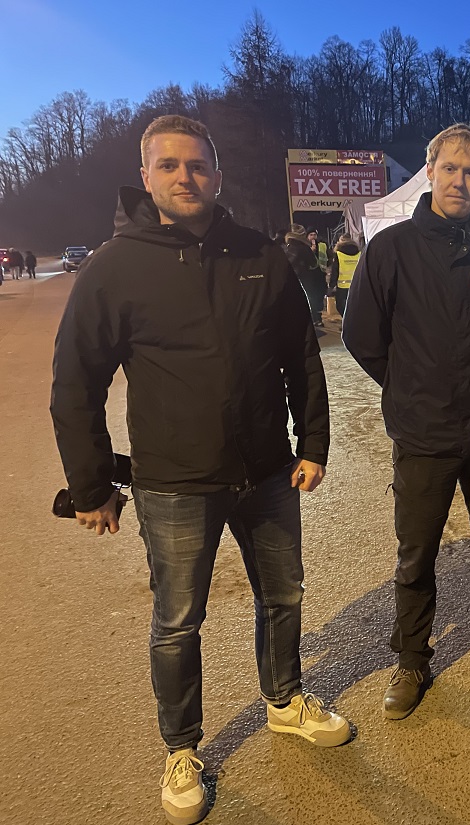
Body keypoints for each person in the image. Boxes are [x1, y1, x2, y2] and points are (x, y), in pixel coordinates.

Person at [50, 114, 351, 825]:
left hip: (268, 475)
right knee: (177, 620)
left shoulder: (261, 254)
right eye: (170, 166)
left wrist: (313, 443)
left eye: (199, 165)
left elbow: (301, 356)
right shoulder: (114, 267)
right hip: (174, 483)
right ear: (147, 176)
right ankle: (181, 748)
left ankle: (283, 700)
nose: (186, 177)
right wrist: (92, 485)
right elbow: (75, 384)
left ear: (217, 174)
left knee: (285, 595)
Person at [343, 123, 470, 720]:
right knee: (416, 555)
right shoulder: (391, 250)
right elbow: (363, 338)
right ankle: (411, 660)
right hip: (424, 435)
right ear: (429, 171)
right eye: (450, 168)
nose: (460, 180)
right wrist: (410, 388)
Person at [285, 224, 327, 327]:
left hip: (290, 279)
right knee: (310, 299)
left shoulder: (286, 247)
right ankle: (314, 320)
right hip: (305, 279)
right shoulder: (304, 247)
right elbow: (313, 263)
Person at [327, 233, 360, 318]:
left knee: (341, 306)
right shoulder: (359, 253)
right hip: (356, 285)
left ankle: (347, 321)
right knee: (354, 306)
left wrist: (331, 285)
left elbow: (335, 271)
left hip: (342, 286)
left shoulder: (339, 254)